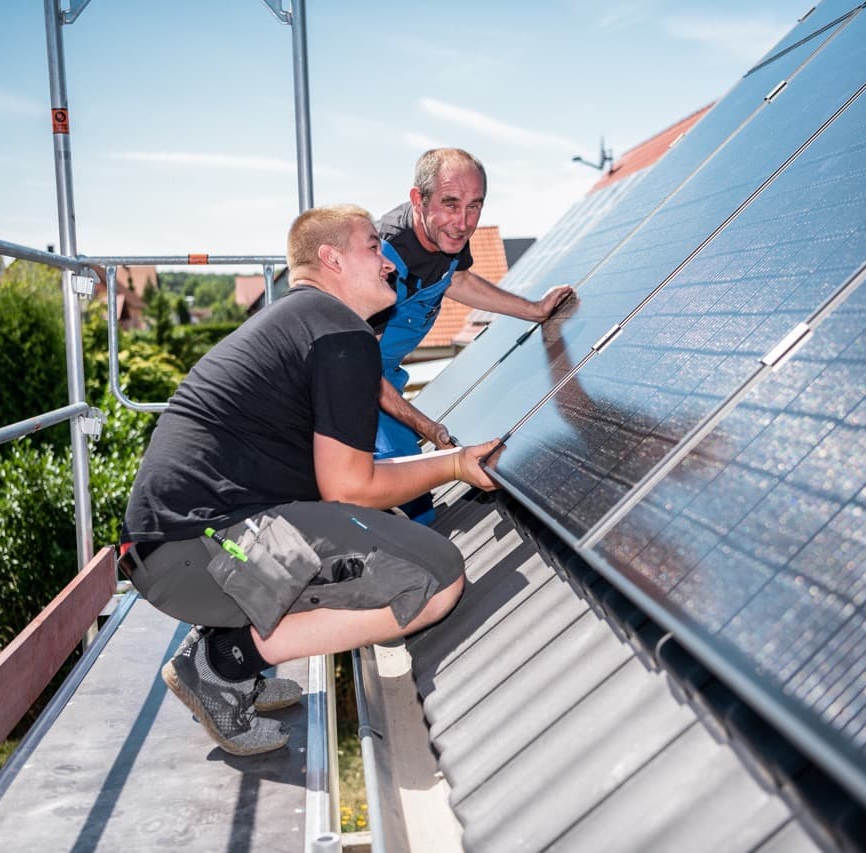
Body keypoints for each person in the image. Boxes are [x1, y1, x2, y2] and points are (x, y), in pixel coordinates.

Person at [118, 204, 499, 756]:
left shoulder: (305, 323)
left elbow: (344, 482)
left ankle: (225, 646)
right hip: (199, 556)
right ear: (332, 259)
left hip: (174, 550)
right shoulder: (341, 333)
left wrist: (454, 461)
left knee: (372, 529)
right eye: (373, 247)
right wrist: (456, 466)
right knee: (437, 576)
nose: (389, 263)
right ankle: (224, 665)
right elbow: (349, 491)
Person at [373, 148, 573, 522]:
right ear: (418, 199)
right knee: (405, 496)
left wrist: (534, 310)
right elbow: (356, 365)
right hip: (354, 384)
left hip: (386, 374)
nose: (463, 222)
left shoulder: (446, 237)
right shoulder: (383, 259)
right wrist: (426, 427)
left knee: (413, 492)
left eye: (474, 207)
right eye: (450, 204)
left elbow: (458, 280)